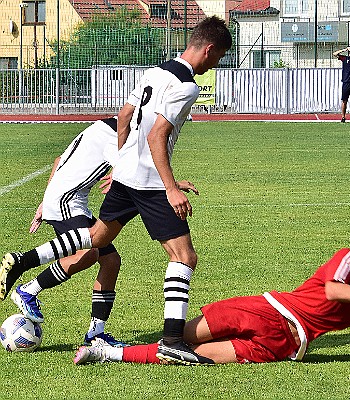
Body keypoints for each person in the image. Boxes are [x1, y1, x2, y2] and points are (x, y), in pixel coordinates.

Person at [0, 16, 232, 365]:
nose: (216, 65)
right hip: (149, 181)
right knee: (184, 257)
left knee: (96, 237)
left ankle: (22, 262)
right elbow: (157, 136)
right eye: (218, 58)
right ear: (209, 49)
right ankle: (171, 339)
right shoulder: (186, 86)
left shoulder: (155, 72)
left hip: (126, 176)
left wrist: (122, 162)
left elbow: (124, 117)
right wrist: (170, 187)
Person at [73, 220, 350, 366]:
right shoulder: (349, 260)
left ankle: (105, 354)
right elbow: (332, 290)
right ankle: (110, 347)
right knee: (178, 336)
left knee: (194, 356)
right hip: (268, 310)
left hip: (284, 345)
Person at [6, 117, 126, 347]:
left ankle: (95, 334)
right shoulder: (115, 137)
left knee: (111, 261)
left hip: (65, 199)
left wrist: (45, 199)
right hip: (67, 201)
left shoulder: (100, 129)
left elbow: (58, 160)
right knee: (88, 253)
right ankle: (28, 290)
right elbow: (126, 170)